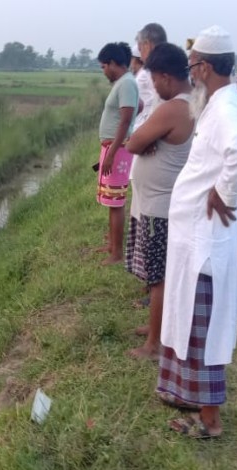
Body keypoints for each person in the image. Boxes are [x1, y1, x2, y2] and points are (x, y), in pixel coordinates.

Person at [157, 26, 237, 438]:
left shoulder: (225, 109)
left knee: (200, 329)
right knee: (189, 321)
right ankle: (188, 396)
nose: (190, 75)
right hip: (196, 238)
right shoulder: (224, 102)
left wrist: (226, 193)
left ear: (204, 68)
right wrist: (234, 192)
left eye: (192, 67)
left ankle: (209, 422)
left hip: (205, 242)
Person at [124, 43, 195, 361]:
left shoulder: (173, 108)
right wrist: (145, 139)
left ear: (166, 76)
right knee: (162, 274)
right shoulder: (192, 102)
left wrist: (142, 139)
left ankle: (154, 345)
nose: (153, 86)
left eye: (154, 79)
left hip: (159, 208)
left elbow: (134, 142)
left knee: (158, 278)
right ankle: (159, 328)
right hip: (162, 203)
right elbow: (141, 140)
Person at [127, 23, 168, 299]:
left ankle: (153, 289)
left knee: (152, 233)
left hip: (159, 176)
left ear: (147, 45)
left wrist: (147, 136)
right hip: (148, 164)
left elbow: (151, 111)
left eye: (140, 46)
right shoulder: (153, 73)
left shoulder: (153, 74)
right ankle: (150, 286)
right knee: (145, 227)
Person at [96, 42, 139, 266]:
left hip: (118, 150)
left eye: (104, 67)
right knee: (110, 199)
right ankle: (112, 245)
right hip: (114, 148)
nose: (104, 71)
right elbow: (139, 105)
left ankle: (117, 253)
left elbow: (125, 119)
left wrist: (112, 152)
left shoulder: (126, 83)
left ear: (113, 63)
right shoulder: (124, 83)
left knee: (116, 202)